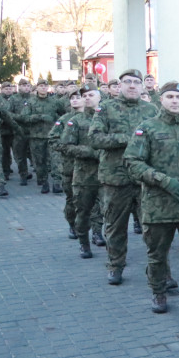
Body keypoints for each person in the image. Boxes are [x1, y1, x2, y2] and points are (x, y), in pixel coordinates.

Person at [124, 81, 179, 321]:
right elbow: (132, 162)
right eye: (170, 97)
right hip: (158, 205)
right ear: (161, 100)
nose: (175, 101)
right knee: (157, 255)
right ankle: (158, 291)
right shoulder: (148, 128)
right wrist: (163, 181)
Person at [89, 68, 159, 285]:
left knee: (153, 227)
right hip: (115, 178)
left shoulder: (151, 110)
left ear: (142, 86)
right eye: (127, 82)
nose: (132, 86)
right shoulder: (106, 109)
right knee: (115, 226)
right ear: (119, 86)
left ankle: (159, 272)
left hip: (144, 179)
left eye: (136, 82)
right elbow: (94, 138)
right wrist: (125, 138)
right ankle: (115, 265)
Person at [60, 86, 105, 258]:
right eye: (84, 95)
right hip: (83, 174)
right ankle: (84, 243)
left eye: (91, 95)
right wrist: (91, 152)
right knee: (83, 210)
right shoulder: (75, 121)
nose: (87, 98)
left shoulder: (107, 119)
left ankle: (98, 234)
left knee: (105, 209)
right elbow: (66, 146)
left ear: (99, 97)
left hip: (106, 172)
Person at [51, 90, 84, 233]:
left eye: (78, 97)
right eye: (72, 98)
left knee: (95, 202)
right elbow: (53, 139)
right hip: (70, 166)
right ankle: (72, 224)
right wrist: (68, 149)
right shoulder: (64, 119)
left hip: (91, 166)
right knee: (72, 199)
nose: (75, 100)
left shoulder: (95, 117)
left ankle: (96, 231)